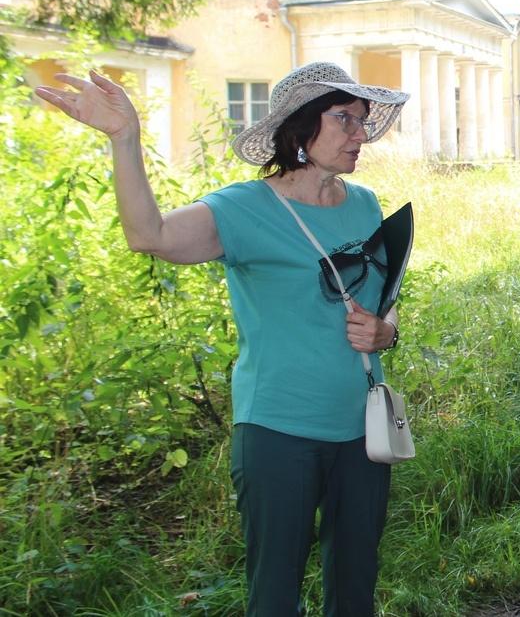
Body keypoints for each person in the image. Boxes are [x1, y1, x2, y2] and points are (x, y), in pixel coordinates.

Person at [35, 62, 409, 616]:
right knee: (275, 591)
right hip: (279, 431)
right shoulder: (245, 208)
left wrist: (387, 332)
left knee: (356, 586)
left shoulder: (365, 203)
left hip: (364, 429)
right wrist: (124, 138)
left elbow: (385, 298)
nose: (361, 134)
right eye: (346, 120)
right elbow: (149, 234)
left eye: (364, 120)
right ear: (301, 128)